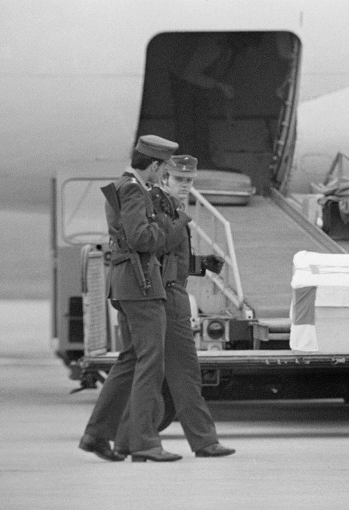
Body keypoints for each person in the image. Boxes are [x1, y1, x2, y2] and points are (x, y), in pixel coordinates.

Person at [79, 135, 192, 463]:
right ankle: (143, 442)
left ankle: (97, 435)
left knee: (131, 360)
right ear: (154, 165)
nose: (162, 176)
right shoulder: (132, 188)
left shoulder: (128, 186)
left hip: (132, 283)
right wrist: (165, 226)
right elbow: (142, 237)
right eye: (162, 168)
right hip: (140, 285)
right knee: (151, 361)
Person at [114, 154, 235, 458]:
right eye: (180, 180)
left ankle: (132, 441)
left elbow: (170, 256)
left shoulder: (170, 206)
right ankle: (199, 440)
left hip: (169, 291)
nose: (185, 186)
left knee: (173, 372)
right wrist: (179, 222)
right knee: (172, 372)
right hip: (161, 295)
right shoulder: (156, 203)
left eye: (190, 181)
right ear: (164, 177)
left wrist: (199, 264)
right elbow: (152, 243)